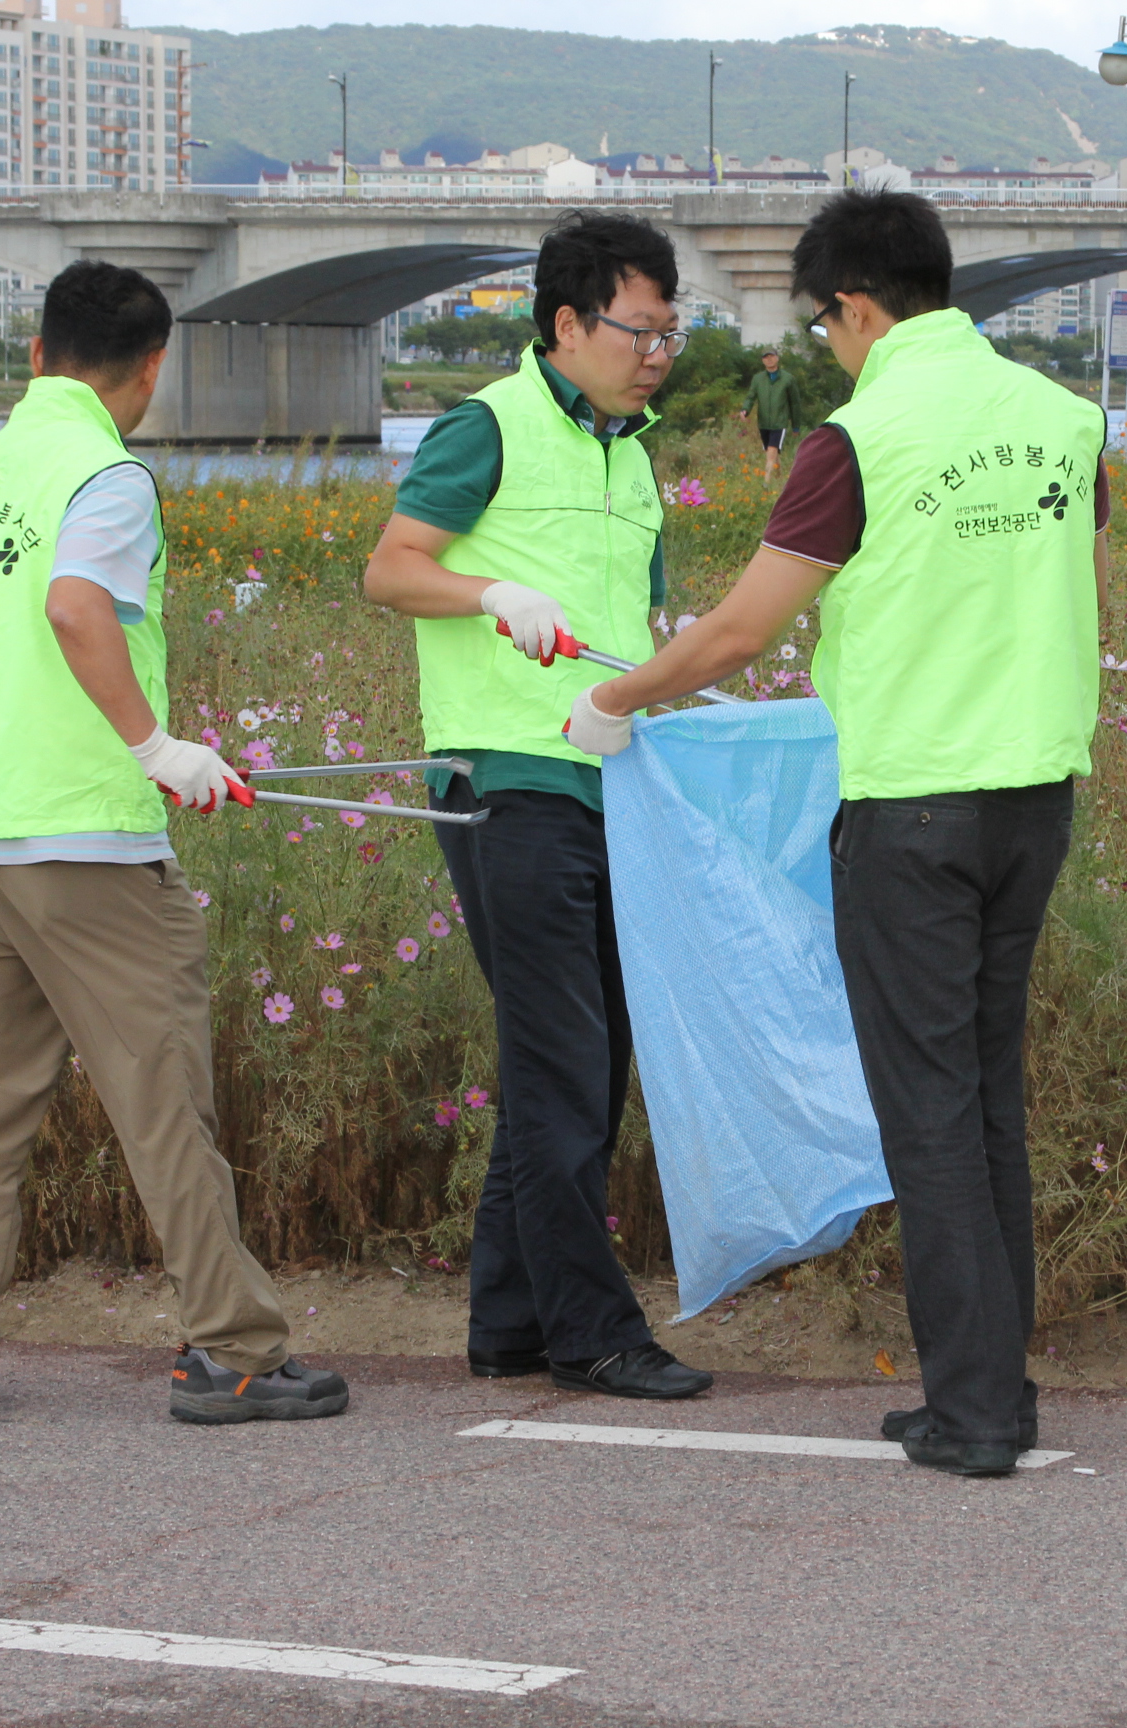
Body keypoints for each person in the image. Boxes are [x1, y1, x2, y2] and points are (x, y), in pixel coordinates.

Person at [564, 190, 1109, 1478]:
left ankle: (972, 1414)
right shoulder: (1065, 422)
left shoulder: (855, 443)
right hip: (1037, 798)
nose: (830, 349)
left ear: (857, 306)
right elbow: (1057, 575)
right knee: (989, 1102)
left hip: (914, 809)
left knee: (928, 1114)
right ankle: (996, 1390)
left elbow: (742, 630)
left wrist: (617, 696)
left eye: (828, 327)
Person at [0, 261, 347, 1427]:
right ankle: (231, 1350)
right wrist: (157, 747)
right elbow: (76, 607)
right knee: (161, 1098)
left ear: (35, 355)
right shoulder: (109, 474)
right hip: (86, 841)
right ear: (149, 371)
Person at [361, 212, 714, 1402]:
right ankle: (593, 1332)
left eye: (672, 330)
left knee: (583, 1058)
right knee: (568, 1064)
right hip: (507, 781)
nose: (659, 350)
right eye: (642, 329)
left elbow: (638, 625)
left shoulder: (631, 451)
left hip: (612, 777)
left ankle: (511, 1319)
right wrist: (487, 590)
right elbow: (391, 567)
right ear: (568, 324)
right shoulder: (486, 427)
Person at [741, 348, 809, 480]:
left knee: (772, 450)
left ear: (777, 358)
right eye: (766, 357)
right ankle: (779, 477)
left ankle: (767, 481)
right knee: (771, 452)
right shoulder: (758, 379)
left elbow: (794, 403)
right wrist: (745, 410)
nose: (769, 359)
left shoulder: (788, 379)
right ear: (762, 361)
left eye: (771, 356)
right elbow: (751, 397)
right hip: (764, 422)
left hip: (779, 422)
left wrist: (796, 425)